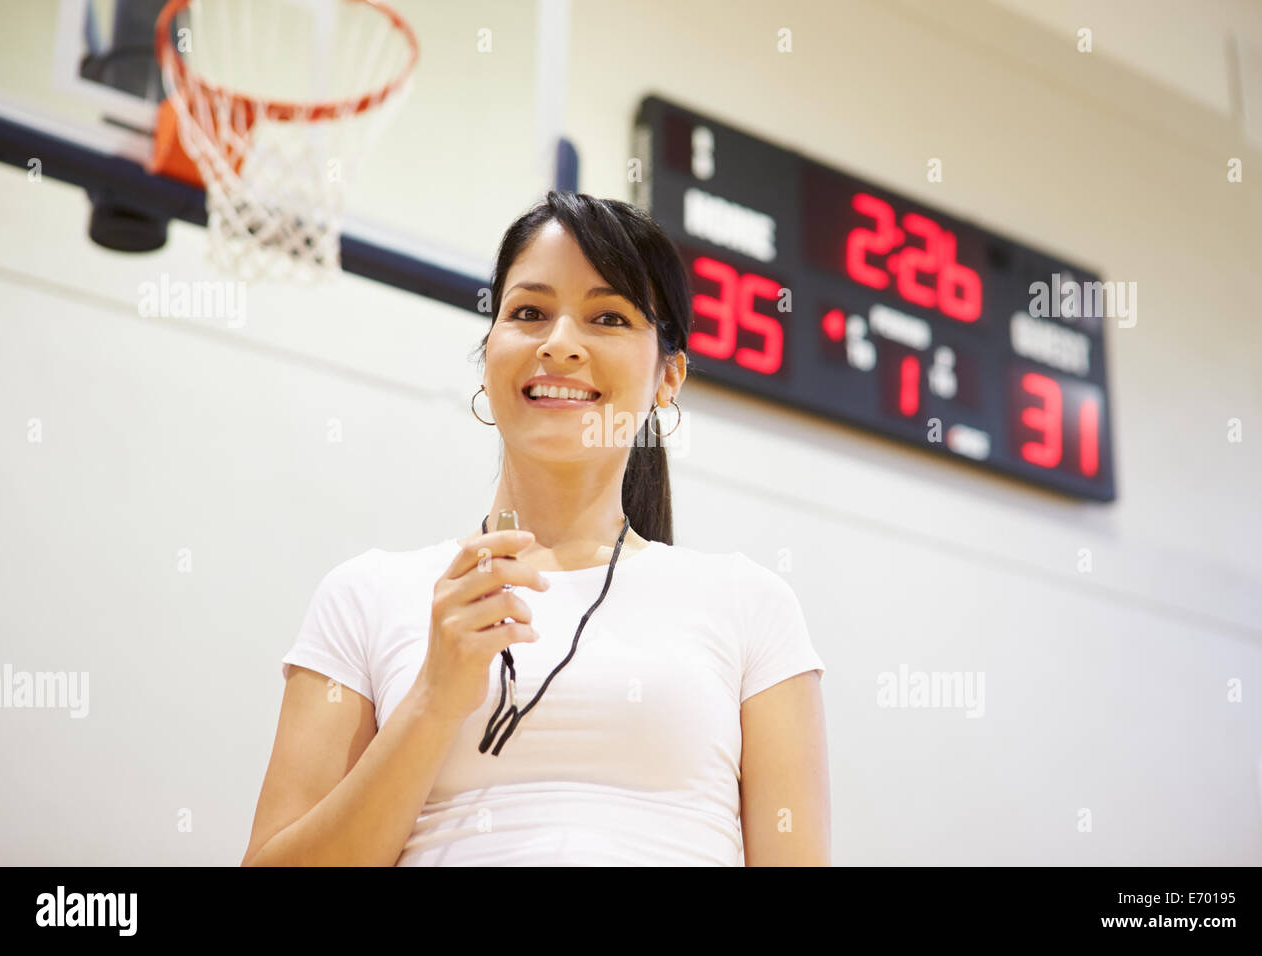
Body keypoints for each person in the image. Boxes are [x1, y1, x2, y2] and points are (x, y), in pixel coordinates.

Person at [243, 191, 830, 866]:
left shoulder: (752, 607)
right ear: (486, 356)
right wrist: (433, 701)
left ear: (669, 377)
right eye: (528, 312)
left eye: (607, 316)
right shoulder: (366, 594)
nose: (559, 344)